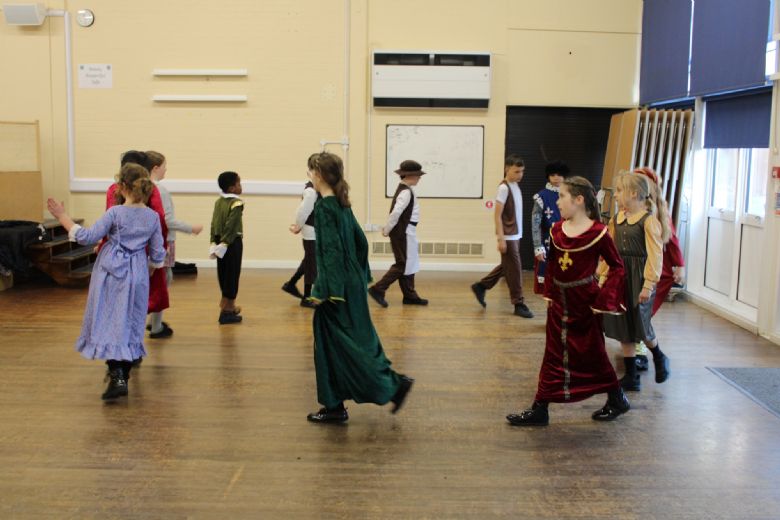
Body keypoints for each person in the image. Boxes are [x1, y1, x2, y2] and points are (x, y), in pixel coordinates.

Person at [507, 177, 629, 426]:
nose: (558, 202)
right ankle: (540, 407)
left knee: (593, 354)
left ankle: (617, 398)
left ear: (579, 200)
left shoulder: (598, 233)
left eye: (562, 196)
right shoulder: (557, 230)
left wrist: (603, 299)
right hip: (559, 306)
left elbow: (617, 267)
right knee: (552, 356)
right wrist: (550, 294)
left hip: (585, 307)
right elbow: (552, 265)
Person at [305, 152, 413, 423]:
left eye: (310, 172)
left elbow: (330, 251)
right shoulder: (343, 204)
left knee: (332, 343)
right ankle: (379, 387)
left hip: (336, 287)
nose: (309, 177)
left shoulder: (324, 207)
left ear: (319, 175)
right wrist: (359, 275)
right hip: (351, 282)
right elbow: (361, 243)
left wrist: (324, 291)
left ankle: (346, 403)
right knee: (359, 338)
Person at [47, 163, 166, 400]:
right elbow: (157, 253)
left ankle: (117, 376)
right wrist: (149, 270)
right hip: (137, 273)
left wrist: (62, 216)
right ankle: (124, 375)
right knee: (131, 322)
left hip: (112, 273)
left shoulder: (115, 213)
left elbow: (87, 237)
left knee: (111, 321)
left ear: (122, 186)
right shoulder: (152, 217)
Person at [601, 172, 671, 391]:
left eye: (619, 191)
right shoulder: (616, 220)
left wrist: (648, 284)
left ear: (633, 193)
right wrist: (603, 276)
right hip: (621, 278)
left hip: (640, 279)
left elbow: (655, 256)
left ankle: (659, 356)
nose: (616, 195)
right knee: (623, 324)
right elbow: (611, 252)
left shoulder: (648, 222)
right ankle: (631, 376)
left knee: (641, 324)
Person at [105, 150, 170, 343]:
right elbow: (160, 222)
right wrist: (157, 257)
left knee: (118, 299)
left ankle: (119, 344)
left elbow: (106, 225)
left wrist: (102, 246)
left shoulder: (113, 190)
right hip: (141, 254)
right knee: (138, 300)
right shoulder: (151, 190)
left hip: (115, 255)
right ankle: (133, 343)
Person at [632, 167, 685, 372]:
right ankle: (638, 348)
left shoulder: (658, 212)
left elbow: (671, 239)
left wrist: (679, 265)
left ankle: (641, 351)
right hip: (632, 266)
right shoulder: (629, 209)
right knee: (633, 310)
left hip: (652, 268)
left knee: (643, 312)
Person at [146, 151, 203, 337]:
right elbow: (167, 220)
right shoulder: (159, 190)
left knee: (160, 278)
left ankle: (153, 321)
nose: (166, 170)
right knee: (163, 280)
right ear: (155, 168)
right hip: (164, 240)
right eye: (164, 166)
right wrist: (190, 228)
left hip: (149, 240)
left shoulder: (141, 187)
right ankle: (156, 326)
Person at [471, 154, 534, 318]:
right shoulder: (504, 188)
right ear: (507, 169)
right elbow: (497, 215)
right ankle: (518, 303)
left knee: (507, 266)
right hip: (508, 236)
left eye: (522, 171)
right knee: (515, 269)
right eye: (516, 171)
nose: (520, 175)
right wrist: (501, 238)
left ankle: (481, 286)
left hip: (515, 234)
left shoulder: (515, 186)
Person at [367, 160, 428, 307]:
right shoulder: (406, 192)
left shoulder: (407, 190)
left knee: (409, 263)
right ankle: (378, 289)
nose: (419, 178)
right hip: (403, 232)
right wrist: (387, 229)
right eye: (418, 175)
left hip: (406, 231)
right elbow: (395, 213)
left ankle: (410, 295)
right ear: (410, 175)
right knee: (403, 264)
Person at [282, 154, 321, 308]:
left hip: (314, 230)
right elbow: (302, 211)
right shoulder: (311, 191)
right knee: (312, 264)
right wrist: (298, 226)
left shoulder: (316, 188)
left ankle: (290, 284)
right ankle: (306, 297)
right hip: (310, 231)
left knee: (309, 260)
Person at [210, 171, 244, 325]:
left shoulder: (219, 202)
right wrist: (225, 243)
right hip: (231, 242)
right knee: (232, 274)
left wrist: (213, 241)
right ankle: (226, 310)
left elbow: (214, 223)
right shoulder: (236, 203)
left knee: (224, 274)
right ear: (232, 188)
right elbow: (231, 226)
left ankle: (229, 307)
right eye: (238, 184)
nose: (241, 186)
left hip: (219, 241)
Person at [531, 160, 569, 294]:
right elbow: (535, 224)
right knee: (548, 284)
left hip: (568, 241)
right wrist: (538, 245)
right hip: (548, 242)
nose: (556, 177)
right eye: (553, 175)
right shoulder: (541, 196)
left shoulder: (571, 194)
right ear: (548, 176)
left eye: (559, 174)